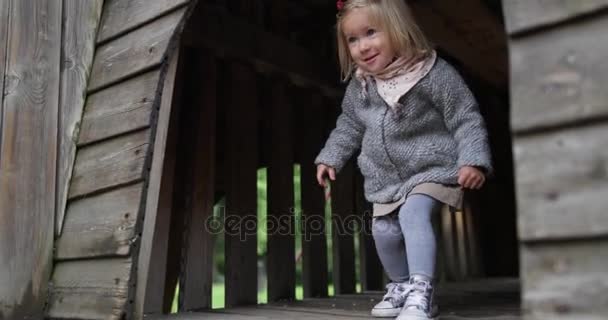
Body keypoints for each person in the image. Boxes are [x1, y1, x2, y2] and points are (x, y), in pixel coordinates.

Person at [315, 0, 493, 319]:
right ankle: (401, 286)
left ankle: (422, 291)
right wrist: (330, 157)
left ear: (397, 29)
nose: (362, 46)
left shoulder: (431, 72)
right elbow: (349, 125)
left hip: (433, 168)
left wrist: (474, 160)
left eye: (371, 33)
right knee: (383, 229)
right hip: (385, 178)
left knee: (412, 214)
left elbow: (464, 116)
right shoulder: (361, 86)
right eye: (353, 39)